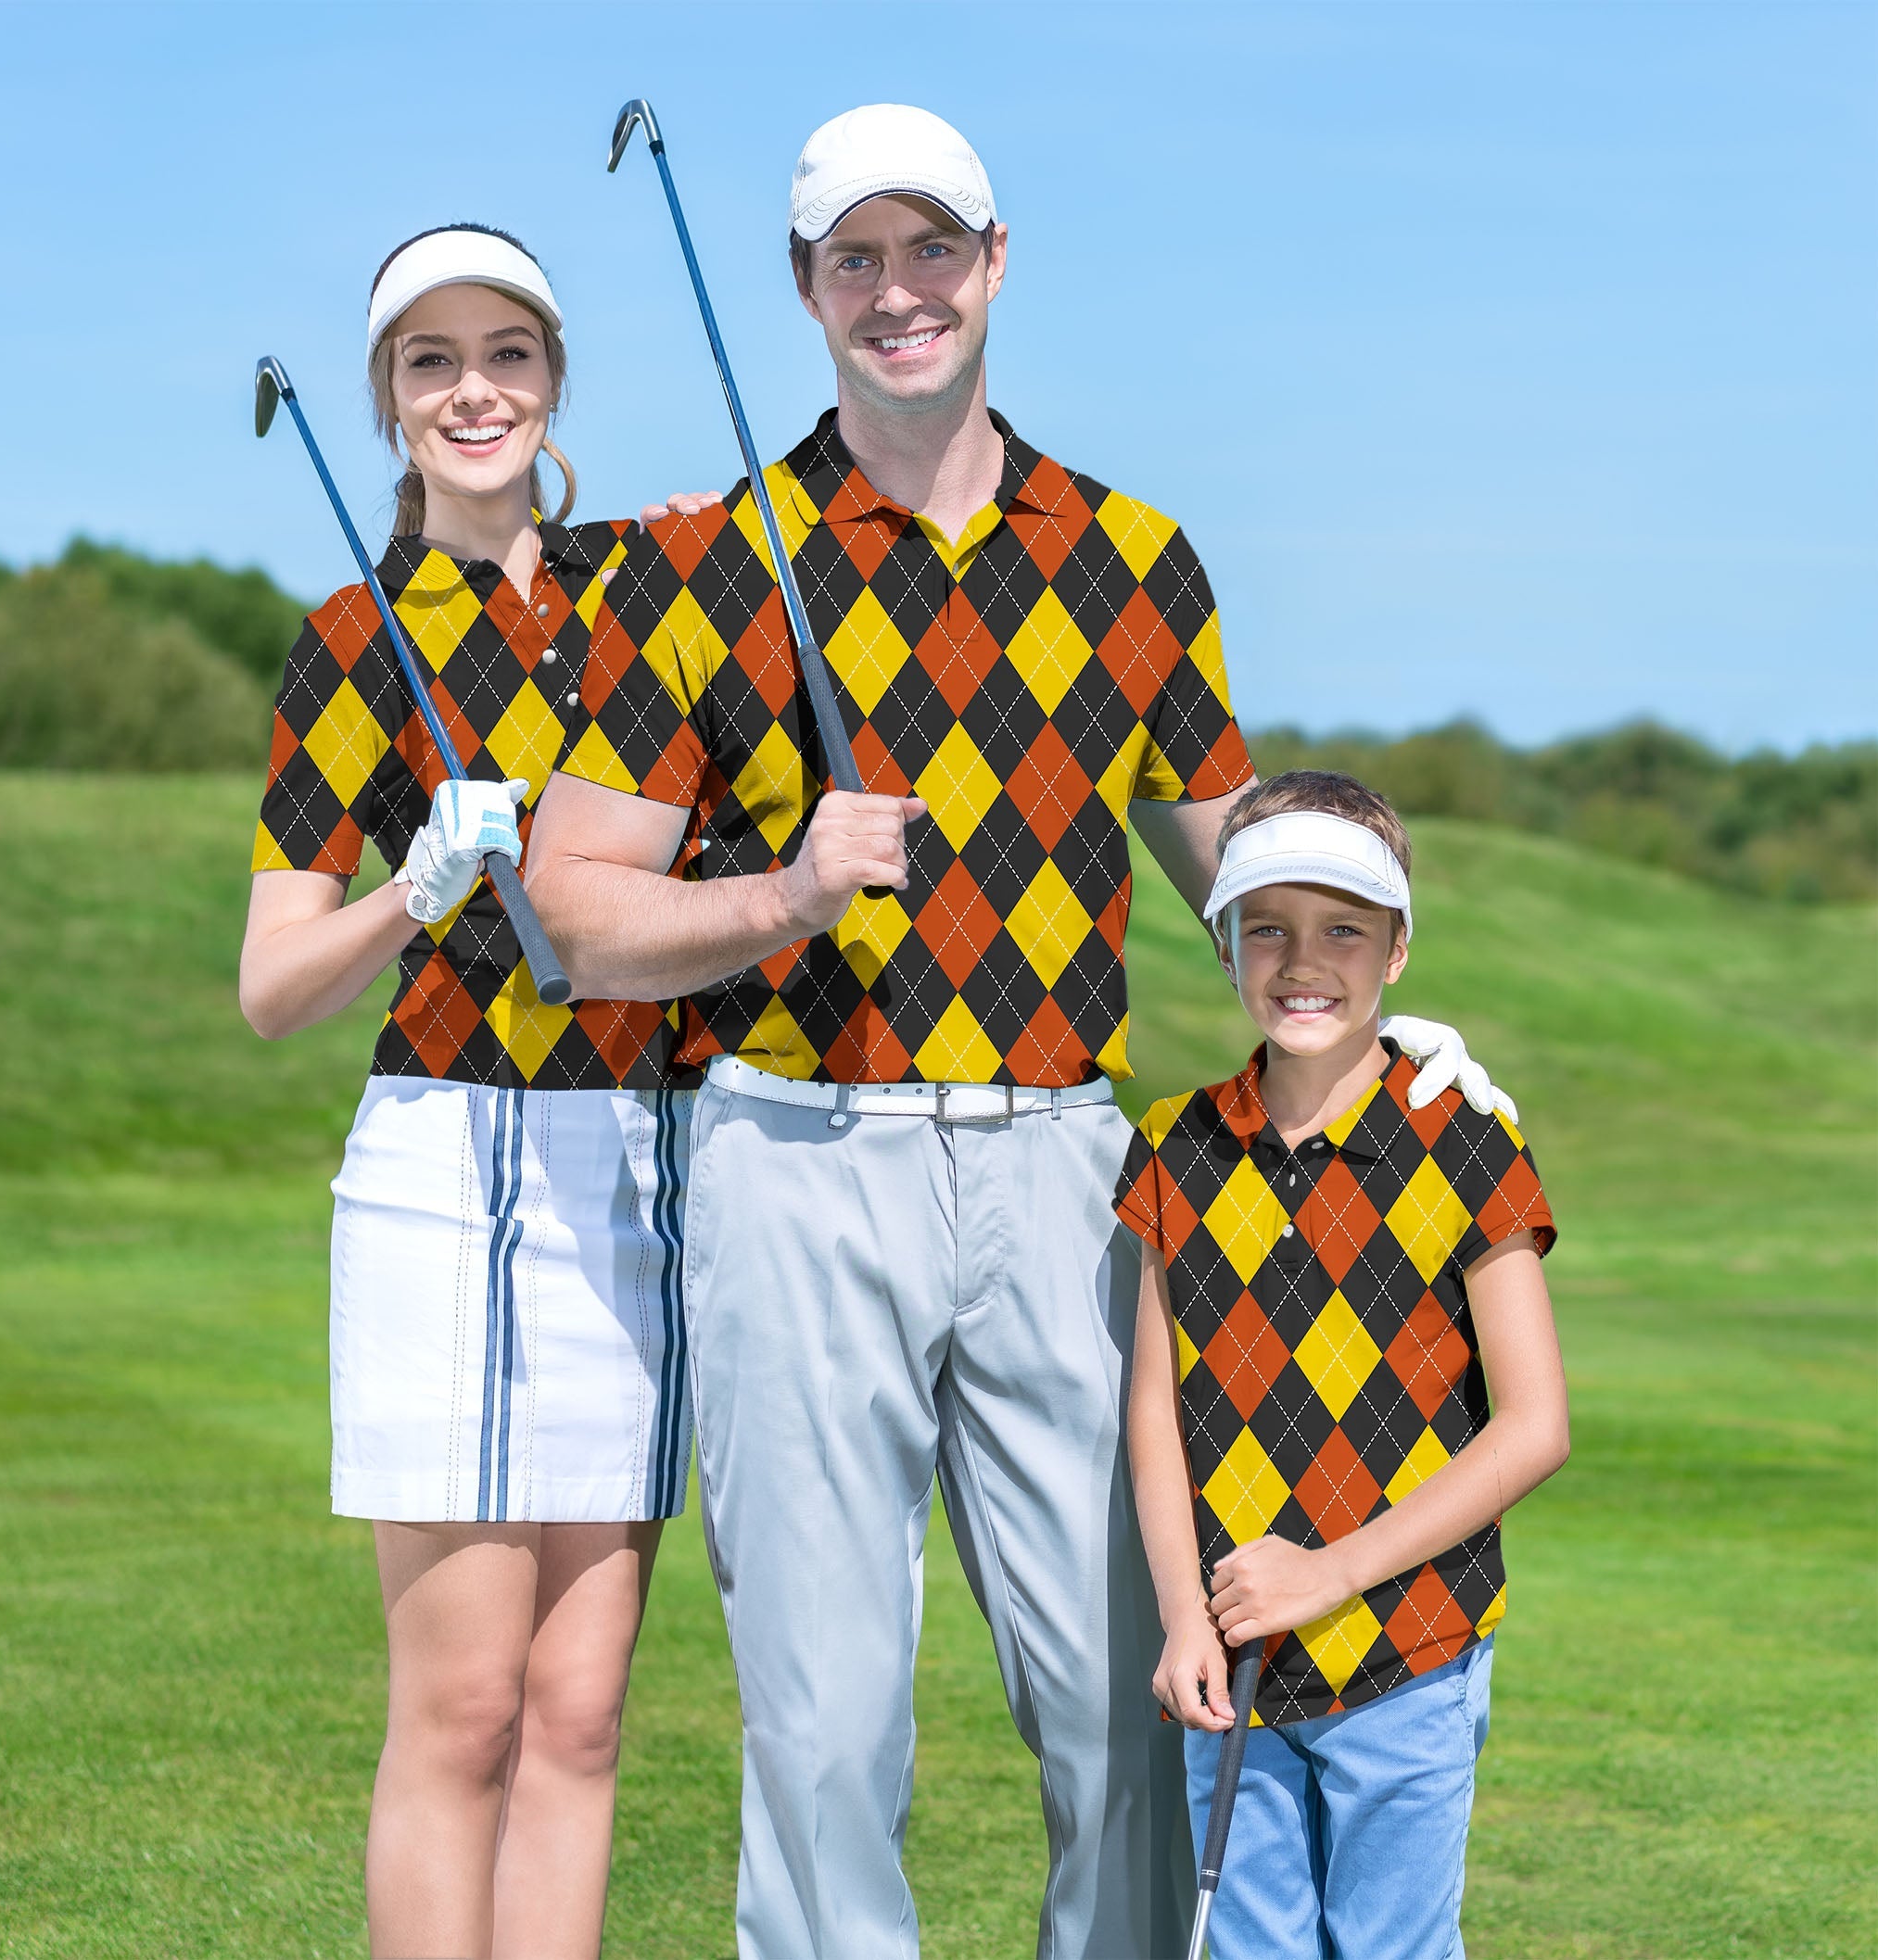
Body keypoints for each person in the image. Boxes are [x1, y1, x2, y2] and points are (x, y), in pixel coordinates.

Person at [527, 107, 1506, 1959]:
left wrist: (1394, 1006)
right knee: (823, 1726)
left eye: (930, 250)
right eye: (854, 260)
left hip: (1067, 1175)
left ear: (993, 260)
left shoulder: (1134, 561)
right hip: (795, 1157)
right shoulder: (706, 563)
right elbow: (576, 908)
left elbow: (1246, 876)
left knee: (1134, 1696)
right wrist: (776, 897)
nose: (897, 294)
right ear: (805, 290)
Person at [239, 223, 708, 1960]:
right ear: (386, 401)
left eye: (505, 353)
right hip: (442, 1165)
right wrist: (413, 888)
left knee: (580, 1712)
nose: (474, 391)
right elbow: (274, 986)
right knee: (463, 1711)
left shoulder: (649, 607)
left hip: (628, 1170)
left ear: (554, 379)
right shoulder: (348, 641)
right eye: (431, 362)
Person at [1117, 770, 1570, 1960]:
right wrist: (1180, 1616)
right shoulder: (1175, 1149)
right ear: (1222, 944)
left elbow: (1533, 1427)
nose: (1301, 960)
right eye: (1265, 926)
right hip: (1234, 1661)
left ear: (1397, 952)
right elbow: (1153, 1414)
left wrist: (1331, 1575)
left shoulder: (1469, 1141)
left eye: (1342, 931)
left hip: (1409, 1650)